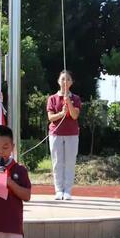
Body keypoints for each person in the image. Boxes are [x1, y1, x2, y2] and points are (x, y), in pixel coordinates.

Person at [46, 70, 82, 200]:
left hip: (72, 134)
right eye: (62, 79)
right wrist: (61, 113)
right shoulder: (52, 99)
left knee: (70, 162)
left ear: (71, 82)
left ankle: (67, 191)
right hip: (55, 133)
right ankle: (58, 190)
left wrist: (69, 103)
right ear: (58, 81)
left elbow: (74, 115)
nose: (65, 82)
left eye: (67, 79)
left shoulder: (76, 98)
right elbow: (51, 117)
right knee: (57, 162)